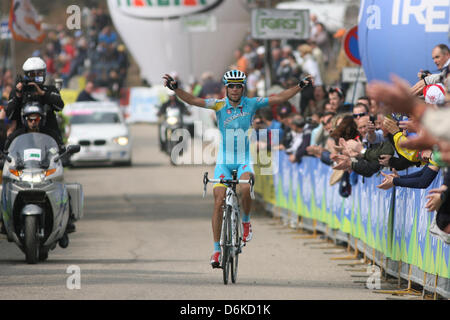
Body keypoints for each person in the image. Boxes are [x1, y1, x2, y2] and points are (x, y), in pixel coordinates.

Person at [162, 70, 313, 268]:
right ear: (226, 88)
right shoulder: (218, 104)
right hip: (224, 160)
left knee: (244, 188)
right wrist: (176, 89)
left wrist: (300, 86)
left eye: (238, 85)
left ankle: (246, 221)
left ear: (243, 87)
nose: (234, 89)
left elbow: (279, 97)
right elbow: (193, 100)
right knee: (218, 201)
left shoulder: (251, 103)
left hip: (243, 158)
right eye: (231, 85)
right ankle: (217, 251)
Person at [7, 57, 64, 144]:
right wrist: (18, 96)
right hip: (23, 137)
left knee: (60, 148)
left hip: (49, 137)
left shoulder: (50, 89)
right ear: (26, 75)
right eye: (33, 74)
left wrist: (43, 94)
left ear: (44, 74)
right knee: (8, 144)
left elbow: (60, 106)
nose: (36, 77)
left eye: (39, 74)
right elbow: (10, 115)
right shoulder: (17, 92)